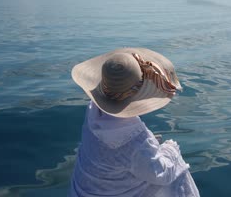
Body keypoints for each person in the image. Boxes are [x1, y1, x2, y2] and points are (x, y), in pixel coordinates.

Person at [69, 47, 200, 197]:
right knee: (177, 174)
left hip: (84, 189)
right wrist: (171, 149)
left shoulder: (93, 110)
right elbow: (162, 173)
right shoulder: (134, 143)